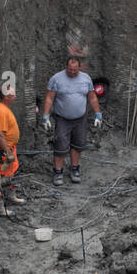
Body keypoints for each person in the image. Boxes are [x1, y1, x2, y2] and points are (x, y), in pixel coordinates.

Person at [40, 56, 103, 187]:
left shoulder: (86, 79)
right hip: (62, 119)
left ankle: (74, 169)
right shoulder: (56, 79)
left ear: (79, 67)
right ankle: (58, 171)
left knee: (78, 144)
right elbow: (49, 98)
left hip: (80, 119)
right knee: (61, 145)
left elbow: (92, 97)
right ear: (66, 67)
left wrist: (98, 114)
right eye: (70, 69)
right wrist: (45, 116)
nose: (72, 72)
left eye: (75, 70)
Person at [0, 86, 25, 216]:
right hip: (4, 151)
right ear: (6, 97)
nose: (15, 97)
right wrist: (7, 152)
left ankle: (11, 195)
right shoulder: (0, 111)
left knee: (13, 171)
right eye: (13, 95)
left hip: (10, 149)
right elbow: (0, 134)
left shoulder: (4, 108)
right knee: (0, 177)